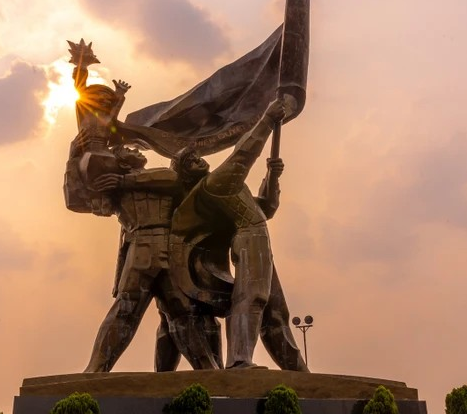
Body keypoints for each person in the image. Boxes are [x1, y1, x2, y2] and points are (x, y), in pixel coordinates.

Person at [167, 96, 307, 370]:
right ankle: (240, 360)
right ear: (186, 174)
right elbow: (243, 156)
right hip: (249, 238)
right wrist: (266, 120)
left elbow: (265, 208)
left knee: (276, 313)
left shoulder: (229, 187)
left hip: (257, 237)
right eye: (191, 161)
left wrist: (271, 178)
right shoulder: (214, 184)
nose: (199, 160)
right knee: (252, 295)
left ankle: (297, 372)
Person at [65, 127, 220, 372]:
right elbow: (76, 200)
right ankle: (95, 370)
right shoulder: (114, 189)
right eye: (125, 150)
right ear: (120, 163)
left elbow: (174, 178)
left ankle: (209, 371)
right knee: (126, 311)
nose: (132, 148)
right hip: (141, 251)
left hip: (170, 253)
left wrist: (124, 181)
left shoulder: (159, 178)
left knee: (183, 315)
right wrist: (74, 157)